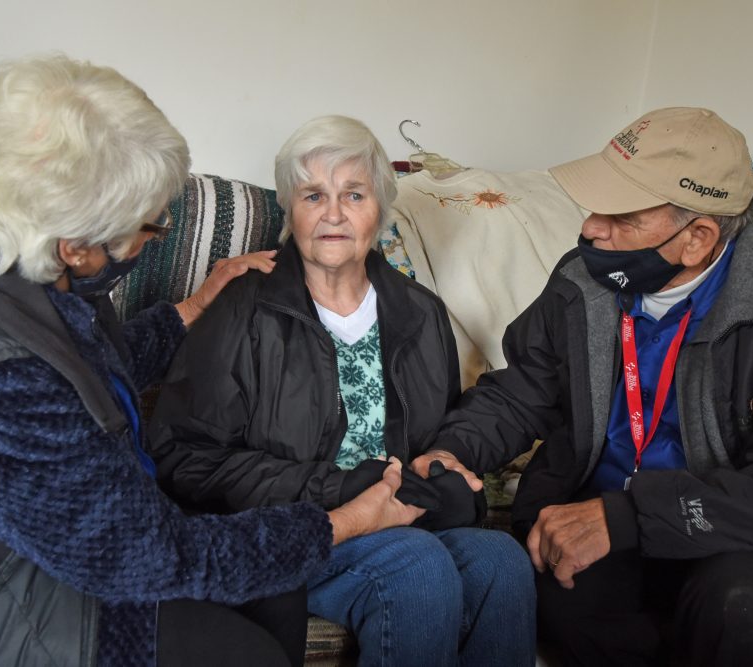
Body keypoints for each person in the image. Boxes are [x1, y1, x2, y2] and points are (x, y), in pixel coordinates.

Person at [0, 56, 424, 667]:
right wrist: (343, 523)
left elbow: (80, 371)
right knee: (244, 653)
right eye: (152, 223)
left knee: (275, 589)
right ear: (73, 246)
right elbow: (146, 555)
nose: (157, 234)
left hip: (16, 546)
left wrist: (190, 310)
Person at [418, 107, 753, 666]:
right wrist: (451, 450)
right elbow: (524, 388)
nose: (590, 228)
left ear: (697, 238)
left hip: (737, 536)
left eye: (621, 216)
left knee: (738, 606)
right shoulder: (586, 278)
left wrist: (628, 516)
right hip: (601, 519)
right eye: (595, 207)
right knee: (557, 594)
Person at [149, 115, 535, 667]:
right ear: (290, 211)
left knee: (501, 561)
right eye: (313, 195)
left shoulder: (419, 312)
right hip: (295, 527)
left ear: (379, 208)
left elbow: (434, 437)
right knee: (415, 564)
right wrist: (337, 487)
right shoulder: (243, 306)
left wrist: (442, 472)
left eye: (353, 194)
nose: (333, 213)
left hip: (396, 516)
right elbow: (183, 457)